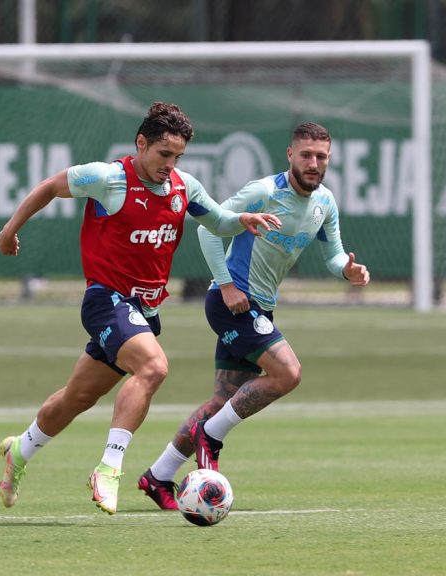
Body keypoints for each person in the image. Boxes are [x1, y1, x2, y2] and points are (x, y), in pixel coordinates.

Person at [0, 102, 281, 515]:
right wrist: (9, 230)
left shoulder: (184, 187)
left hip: (143, 310)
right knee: (154, 367)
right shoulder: (109, 178)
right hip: (105, 299)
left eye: (178, 156)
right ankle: (109, 468)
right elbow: (49, 187)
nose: (171, 164)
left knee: (78, 396)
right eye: (164, 154)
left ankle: (19, 452)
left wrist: (244, 219)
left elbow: (217, 221)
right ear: (141, 143)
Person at [137, 122, 371, 510]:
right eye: (307, 155)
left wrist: (346, 271)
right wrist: (226, 284)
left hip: (260, 306)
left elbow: (333, 253)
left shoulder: (324, 202)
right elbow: (207, 231)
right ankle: (210, 439)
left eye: (322, 157)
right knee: (287, 373)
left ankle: (158, 475)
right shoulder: (264, 192)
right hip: (233, 303)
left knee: (221, 401)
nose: (314, 163)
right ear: (290, 155)